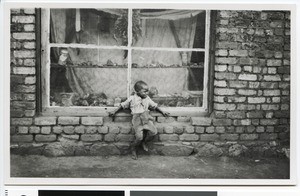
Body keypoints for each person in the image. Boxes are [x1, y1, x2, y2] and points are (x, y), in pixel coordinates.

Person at [109, 80, 169, 160]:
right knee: (139, 137)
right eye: (144, 91)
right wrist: (114, 111)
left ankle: (144, 141)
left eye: (147, 91)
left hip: (146, 118)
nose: (147, 93)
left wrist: (163, 111)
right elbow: (122, 105)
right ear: (137, 91)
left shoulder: (147, 98)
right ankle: (133, 148)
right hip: (137, 119)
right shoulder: (132, 98)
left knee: (153, 132)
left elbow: (154, 106)